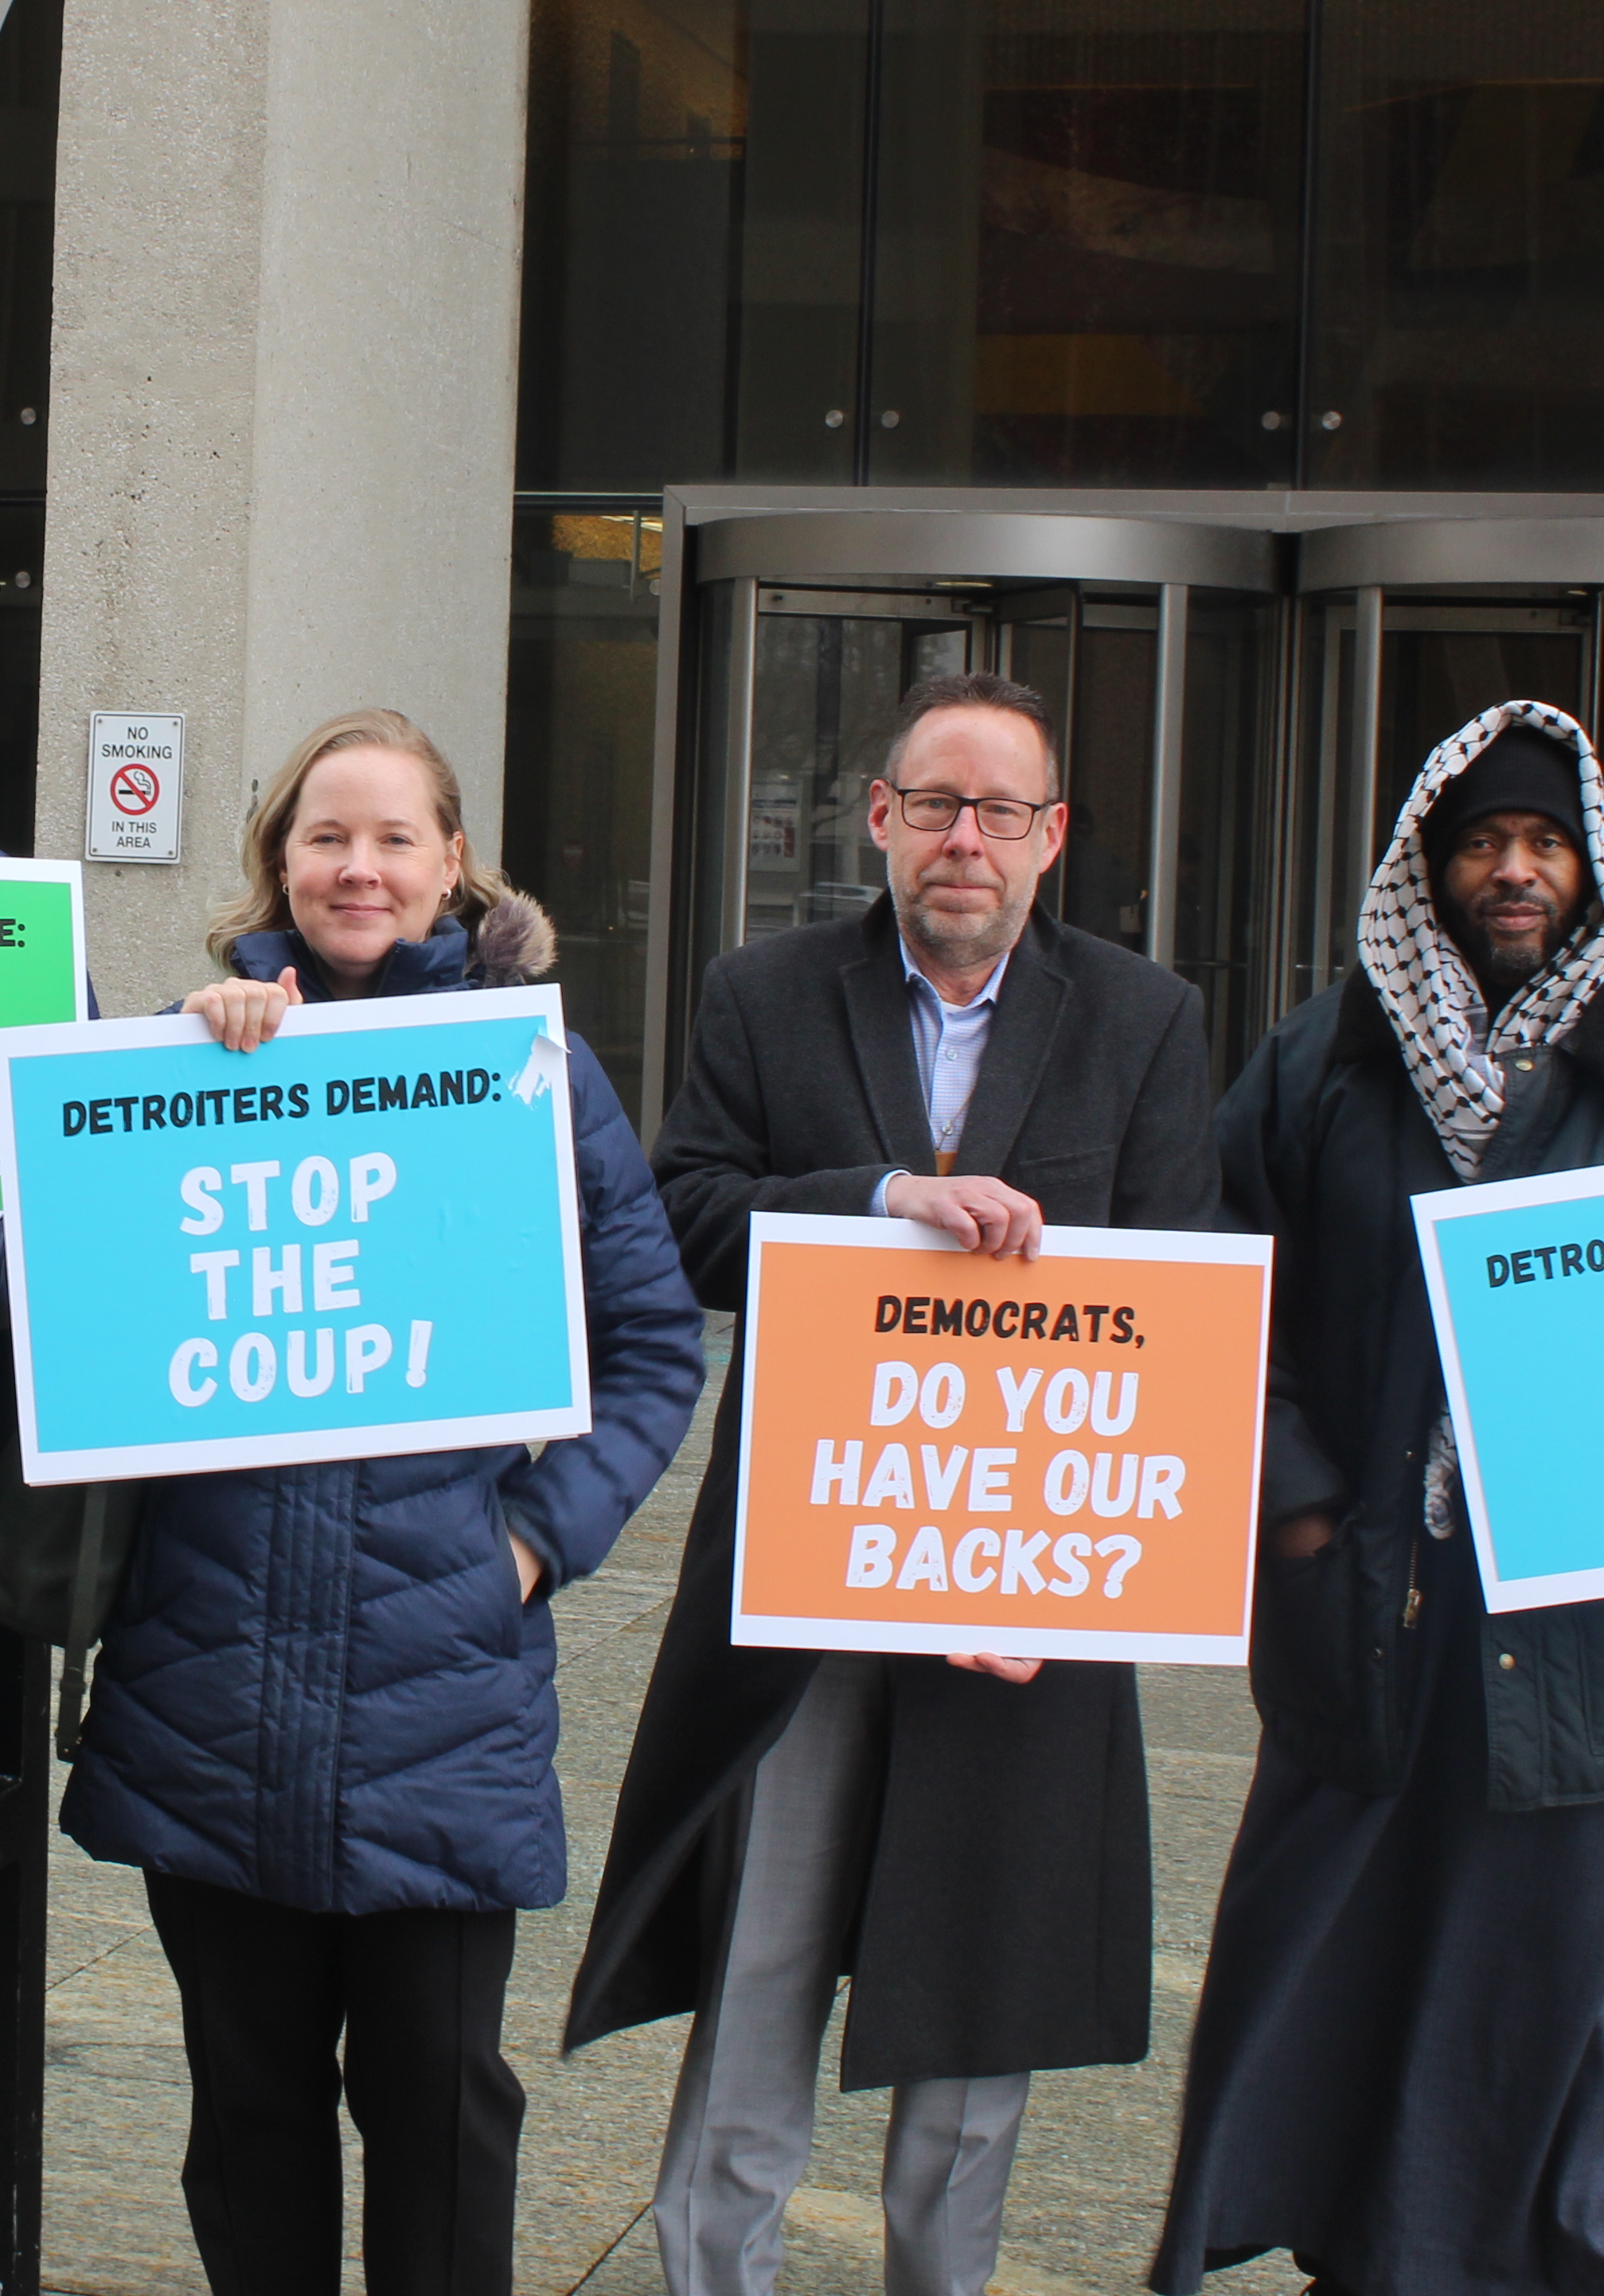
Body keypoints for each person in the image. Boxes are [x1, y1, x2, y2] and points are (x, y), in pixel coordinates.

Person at [564, 672, 1223, 2296]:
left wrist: (1073, 1586)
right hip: (805, 1588)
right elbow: (682, 1217)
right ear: (881, 819)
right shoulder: (766, 993)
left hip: (1018, 1608)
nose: (965, 838)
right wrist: (875, 1204)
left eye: (1003, 811)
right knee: (760, 1972)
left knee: (973, 2009)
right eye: (936, 803)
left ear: (1052, 839)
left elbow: (1188, 1307)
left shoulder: (1143, 1022)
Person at [1149, 703, 1604, 2296]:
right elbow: (1223, 1293)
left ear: (1591, 867)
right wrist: (1301, 1514)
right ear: (1428, 869)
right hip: (1380, 1620)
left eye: (1543, 844)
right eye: (1481, 845)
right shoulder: (1324, 1062)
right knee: (1351, 1967)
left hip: (1601, 1636)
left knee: (1574, 1996)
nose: (1514, 872)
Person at [58, 708, 706, 2296]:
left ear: (452, 863)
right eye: (326, 836)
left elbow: (652, 1346)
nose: (359, 866)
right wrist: (182, 1055)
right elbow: (76, 1311)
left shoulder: (529, 1073)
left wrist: (540, 1543)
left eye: (393, 836)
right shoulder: (176, 1056)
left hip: (442, 1692)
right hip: (212, 1687)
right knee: (251, 2107)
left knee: (438, 2107)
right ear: (278, 858)